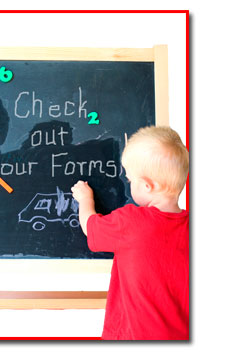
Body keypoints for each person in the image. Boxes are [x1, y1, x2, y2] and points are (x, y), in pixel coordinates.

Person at [71, 126, 189, 340]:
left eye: (130, 180)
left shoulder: (132, 221)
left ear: (147, 186)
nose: (128, 184)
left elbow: (91, 227)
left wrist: (85, 200)